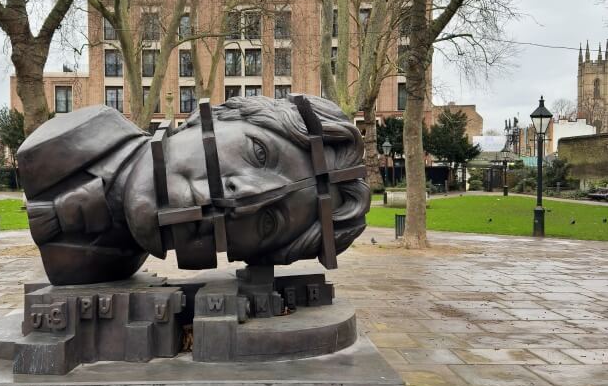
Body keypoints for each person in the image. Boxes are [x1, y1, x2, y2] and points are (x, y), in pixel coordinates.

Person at [18, 93, 370, 285]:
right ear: (214, 117)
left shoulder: (96, 270)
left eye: (268, 223)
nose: (243, 196)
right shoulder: (73, 136)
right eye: (258, 152)